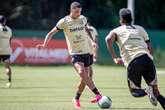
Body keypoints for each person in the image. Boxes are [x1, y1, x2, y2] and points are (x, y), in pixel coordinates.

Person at [37, 1, 102, 109]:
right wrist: (44, 45)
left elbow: (86, 30)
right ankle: (98, 94)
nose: (78, 14)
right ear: (71, 10)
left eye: (80, 12)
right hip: (75, 53)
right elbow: (51, 33)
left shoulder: (83, 19)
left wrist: (92, 41)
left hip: (87, 52)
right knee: (82, 72)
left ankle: (76, 98)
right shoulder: (64, 21)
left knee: (84, 79)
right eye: (76, 12)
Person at [105, 8, 165, 109]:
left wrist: (114, 57)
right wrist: (150, 59)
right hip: (148, 59)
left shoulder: (117, 30)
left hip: (134, 61)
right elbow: (150, 47)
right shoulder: (140, 29)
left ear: (121, 20)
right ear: (131, 19)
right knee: (156, 92)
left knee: (135, 92)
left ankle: (147, 91)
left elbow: (108, 39)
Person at [74, 20, 99, 108]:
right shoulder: (78, 29)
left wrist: (95, 54)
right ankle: (93, 91)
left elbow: (96, 41)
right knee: (85, 75)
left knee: (84, 78)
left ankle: (77, 98)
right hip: (82, 53)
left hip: (90, 54)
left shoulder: (92, 29)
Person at [0, 15, 12, 88]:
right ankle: (9, 81)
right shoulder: (9, 29)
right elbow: (10, 41)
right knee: (7, 67)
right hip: (7, 50)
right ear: (5, 21)